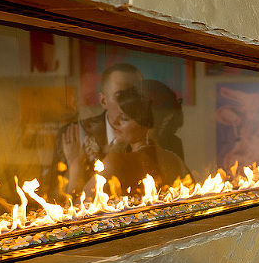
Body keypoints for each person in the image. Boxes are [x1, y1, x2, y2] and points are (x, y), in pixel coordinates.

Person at [76, 83, 191, 196]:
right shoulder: (175, 160)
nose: (115, 122)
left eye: (124, 118)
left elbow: (76, 209)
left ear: (147, 123)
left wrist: (74, 165)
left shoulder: (115, 163)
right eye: (117, 115)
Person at [52, 62, 144, 198]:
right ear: (103, 101)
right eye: (120, 96)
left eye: (135, 95)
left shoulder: (159, 137)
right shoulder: (74, 134)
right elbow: (54, 197)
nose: (129, 102)